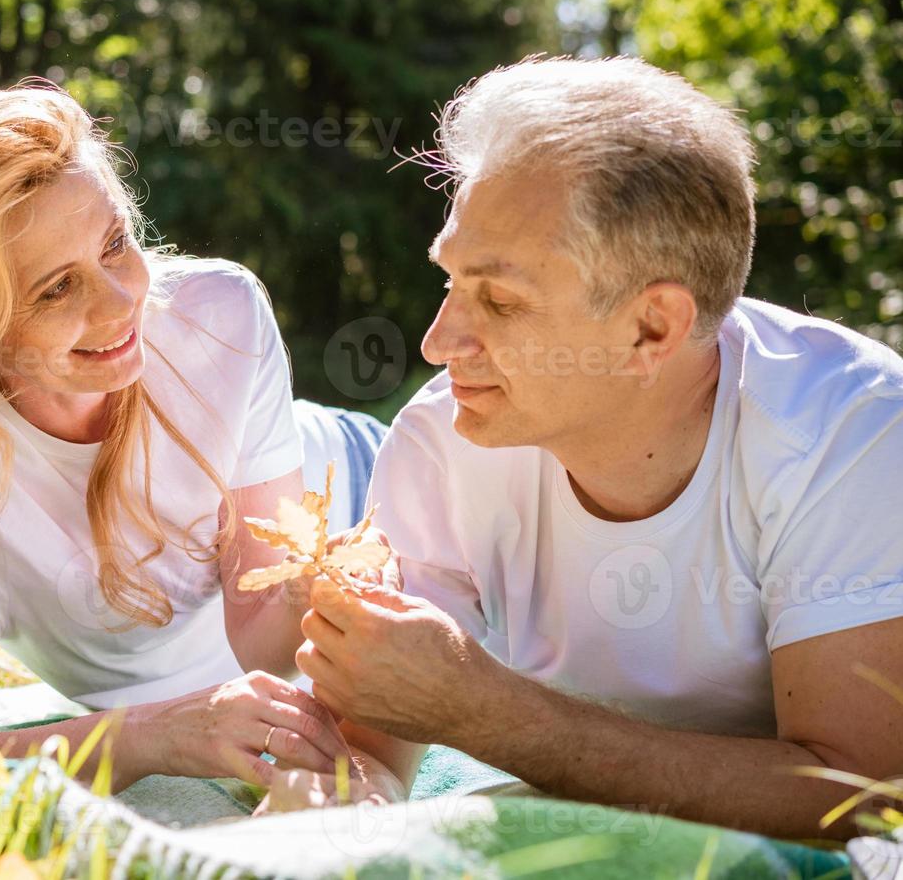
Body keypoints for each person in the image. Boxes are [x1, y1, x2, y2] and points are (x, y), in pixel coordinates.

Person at [292, 56, 903, 837]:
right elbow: (372, 747)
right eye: (450, 283)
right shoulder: (445, 441)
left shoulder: (851, 432)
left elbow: (859, 800)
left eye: (501, 301)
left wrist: (491, 714)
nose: (438, 343)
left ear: (652, 329)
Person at [0, 82, 417, 799]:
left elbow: (262, 632)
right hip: (203, 682)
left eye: (115, 244)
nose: (121, 300)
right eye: (55, 290)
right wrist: (152, 733)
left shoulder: (216, 317)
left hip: (375, 483)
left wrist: (317, 592)